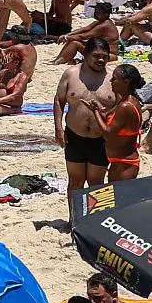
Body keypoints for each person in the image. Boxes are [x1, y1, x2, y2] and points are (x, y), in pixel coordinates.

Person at [54, 37, 116, 221]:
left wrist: (106, 111)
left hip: (100, 138)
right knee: (76, 181)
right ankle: (74, 220)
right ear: (86, 55)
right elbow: (59, 100)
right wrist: (58, 128)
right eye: (96, 56)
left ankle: (95, 222)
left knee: (97, 183)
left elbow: (122, 103)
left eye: (104, 57)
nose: (101, 60)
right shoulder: (71, 74)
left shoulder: (113, 77)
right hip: (75, 135)